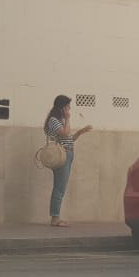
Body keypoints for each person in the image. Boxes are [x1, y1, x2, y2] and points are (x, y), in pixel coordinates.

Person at [43, 95, 92, 227]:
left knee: (61, 186)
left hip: (68, 153)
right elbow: (64, 133)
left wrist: (80, 132)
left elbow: (69, 138)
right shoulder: (54, 120)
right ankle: (55, 218)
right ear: (62, 107)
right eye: (68, 106)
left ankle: (56, 216)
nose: (69, 109)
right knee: (59, 187)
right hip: (61, 155)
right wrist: (68, 119)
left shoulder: (61, 120)